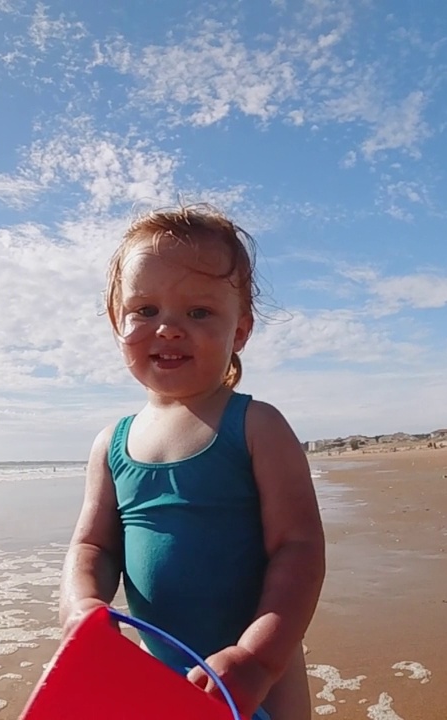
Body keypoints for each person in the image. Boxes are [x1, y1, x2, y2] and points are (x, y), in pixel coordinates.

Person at [59, 206, 326, 720]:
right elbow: (92, 544)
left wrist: (257, 658)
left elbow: (299, 548)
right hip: (160, 683)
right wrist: (81, 603)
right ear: (118, 322)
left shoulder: (257, 427)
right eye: (146, 310)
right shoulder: (111, 444)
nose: (169, 329)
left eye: (199, 313)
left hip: (255, 682)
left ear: (240, 331)